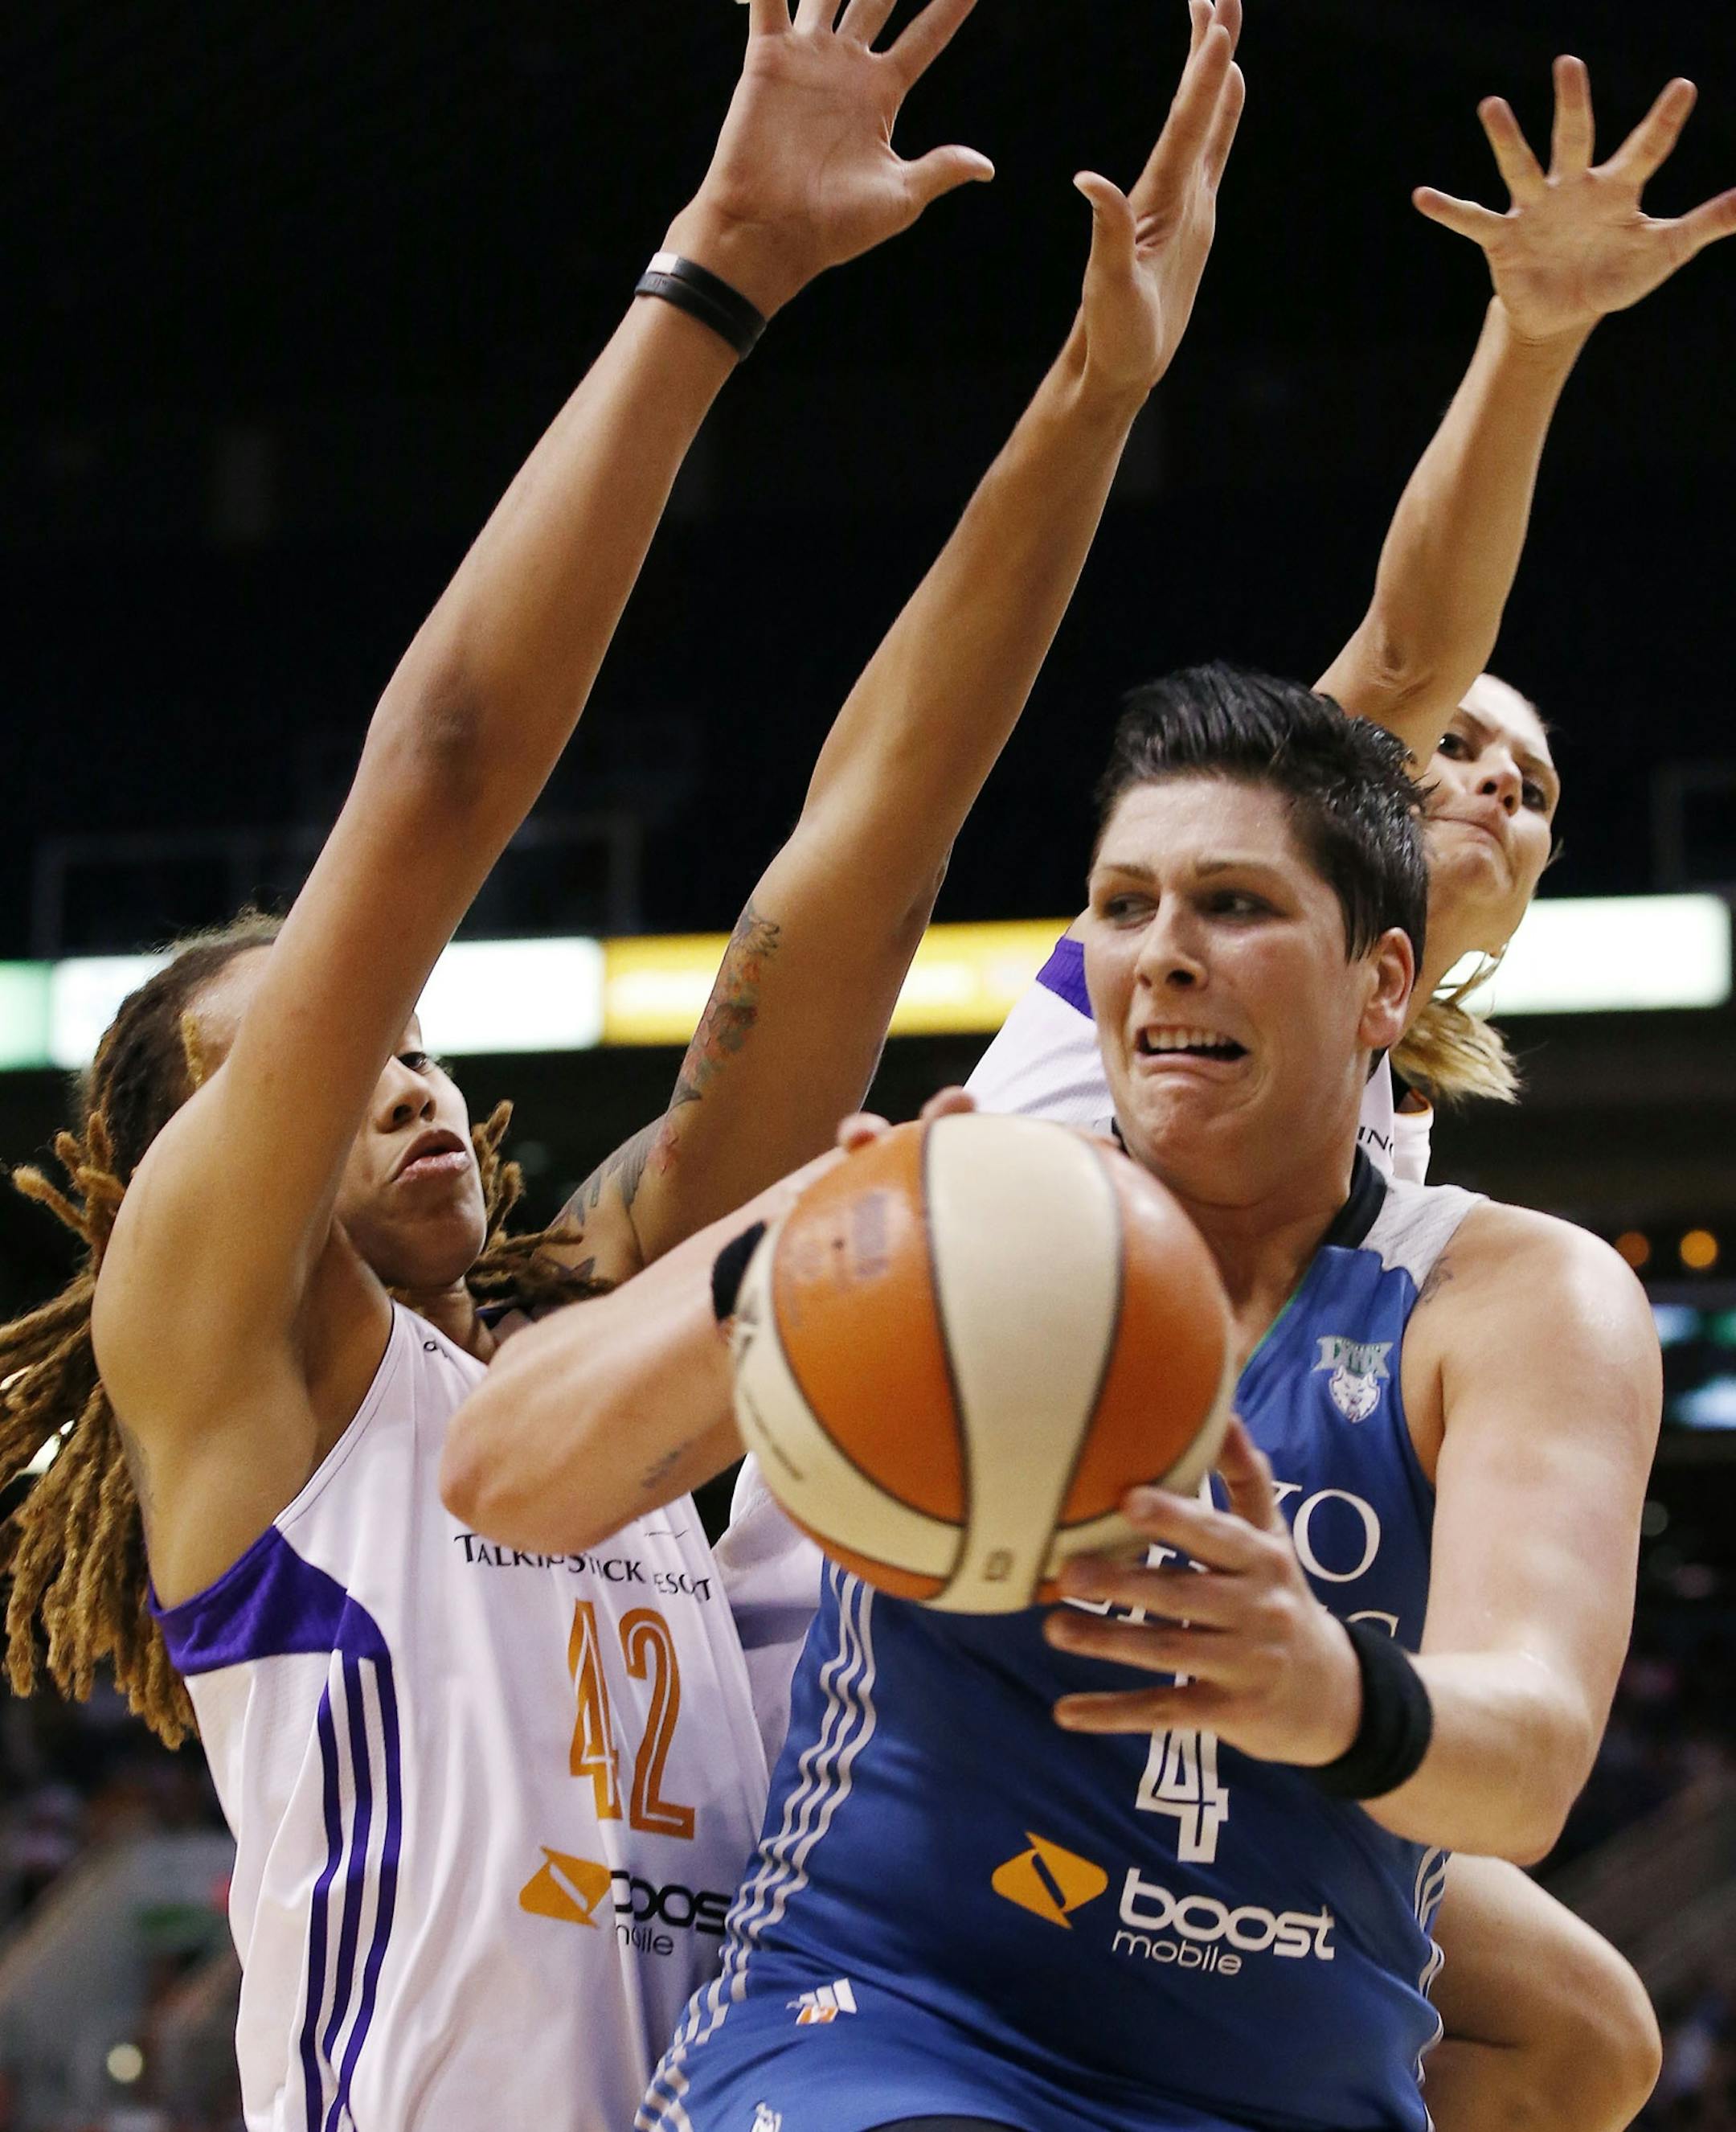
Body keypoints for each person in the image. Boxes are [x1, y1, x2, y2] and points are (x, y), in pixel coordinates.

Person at [0, 4, 1264, 2126]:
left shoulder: (589, 1353)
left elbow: (862, 861)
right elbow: (440, 774)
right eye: (309, 1062)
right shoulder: (238, 1375)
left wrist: (1091, 395)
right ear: (181, 1181)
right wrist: (720, 273)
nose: (397, 1076)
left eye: (411, 1042)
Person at [710, 57, 1736, 2132]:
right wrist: (1534, 342)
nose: (1485, 779)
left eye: (1533, 783)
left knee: (1583, 2028)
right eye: (1456, 749)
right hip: (863, 1643)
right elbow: (1410, 647)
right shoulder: (1153, 989)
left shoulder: (1409, 1180)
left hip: (1149, 1693)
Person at [448, 668, 1663, 2132]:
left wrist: (1327, 1689)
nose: (1163, 957)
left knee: (1594, 2047)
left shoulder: (1515, 1297)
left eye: (1234, 906)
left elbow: (1528, 1755)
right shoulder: (958, 1209)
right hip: (885, 2033)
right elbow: (499, 1474)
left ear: (1384, 986)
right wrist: (797, 1261)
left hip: (1278, 2083)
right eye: (1123, 907)